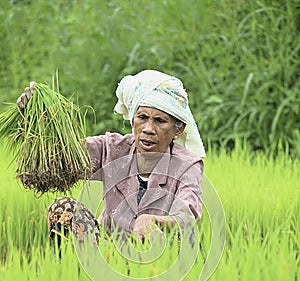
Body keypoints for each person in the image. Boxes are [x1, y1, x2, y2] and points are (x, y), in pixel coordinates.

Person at [17, 70, 206, 244]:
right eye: (142, 117)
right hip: (106, 249)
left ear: (178, 129)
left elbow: (187, 215)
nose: (148, 129)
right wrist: (36, 118)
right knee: (63, 208)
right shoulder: (113, 149)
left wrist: (153, 220)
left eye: (160, 121)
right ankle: (68, 271)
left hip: (157, 255)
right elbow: (64, 154)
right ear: (132, 119)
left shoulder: (187, 165)